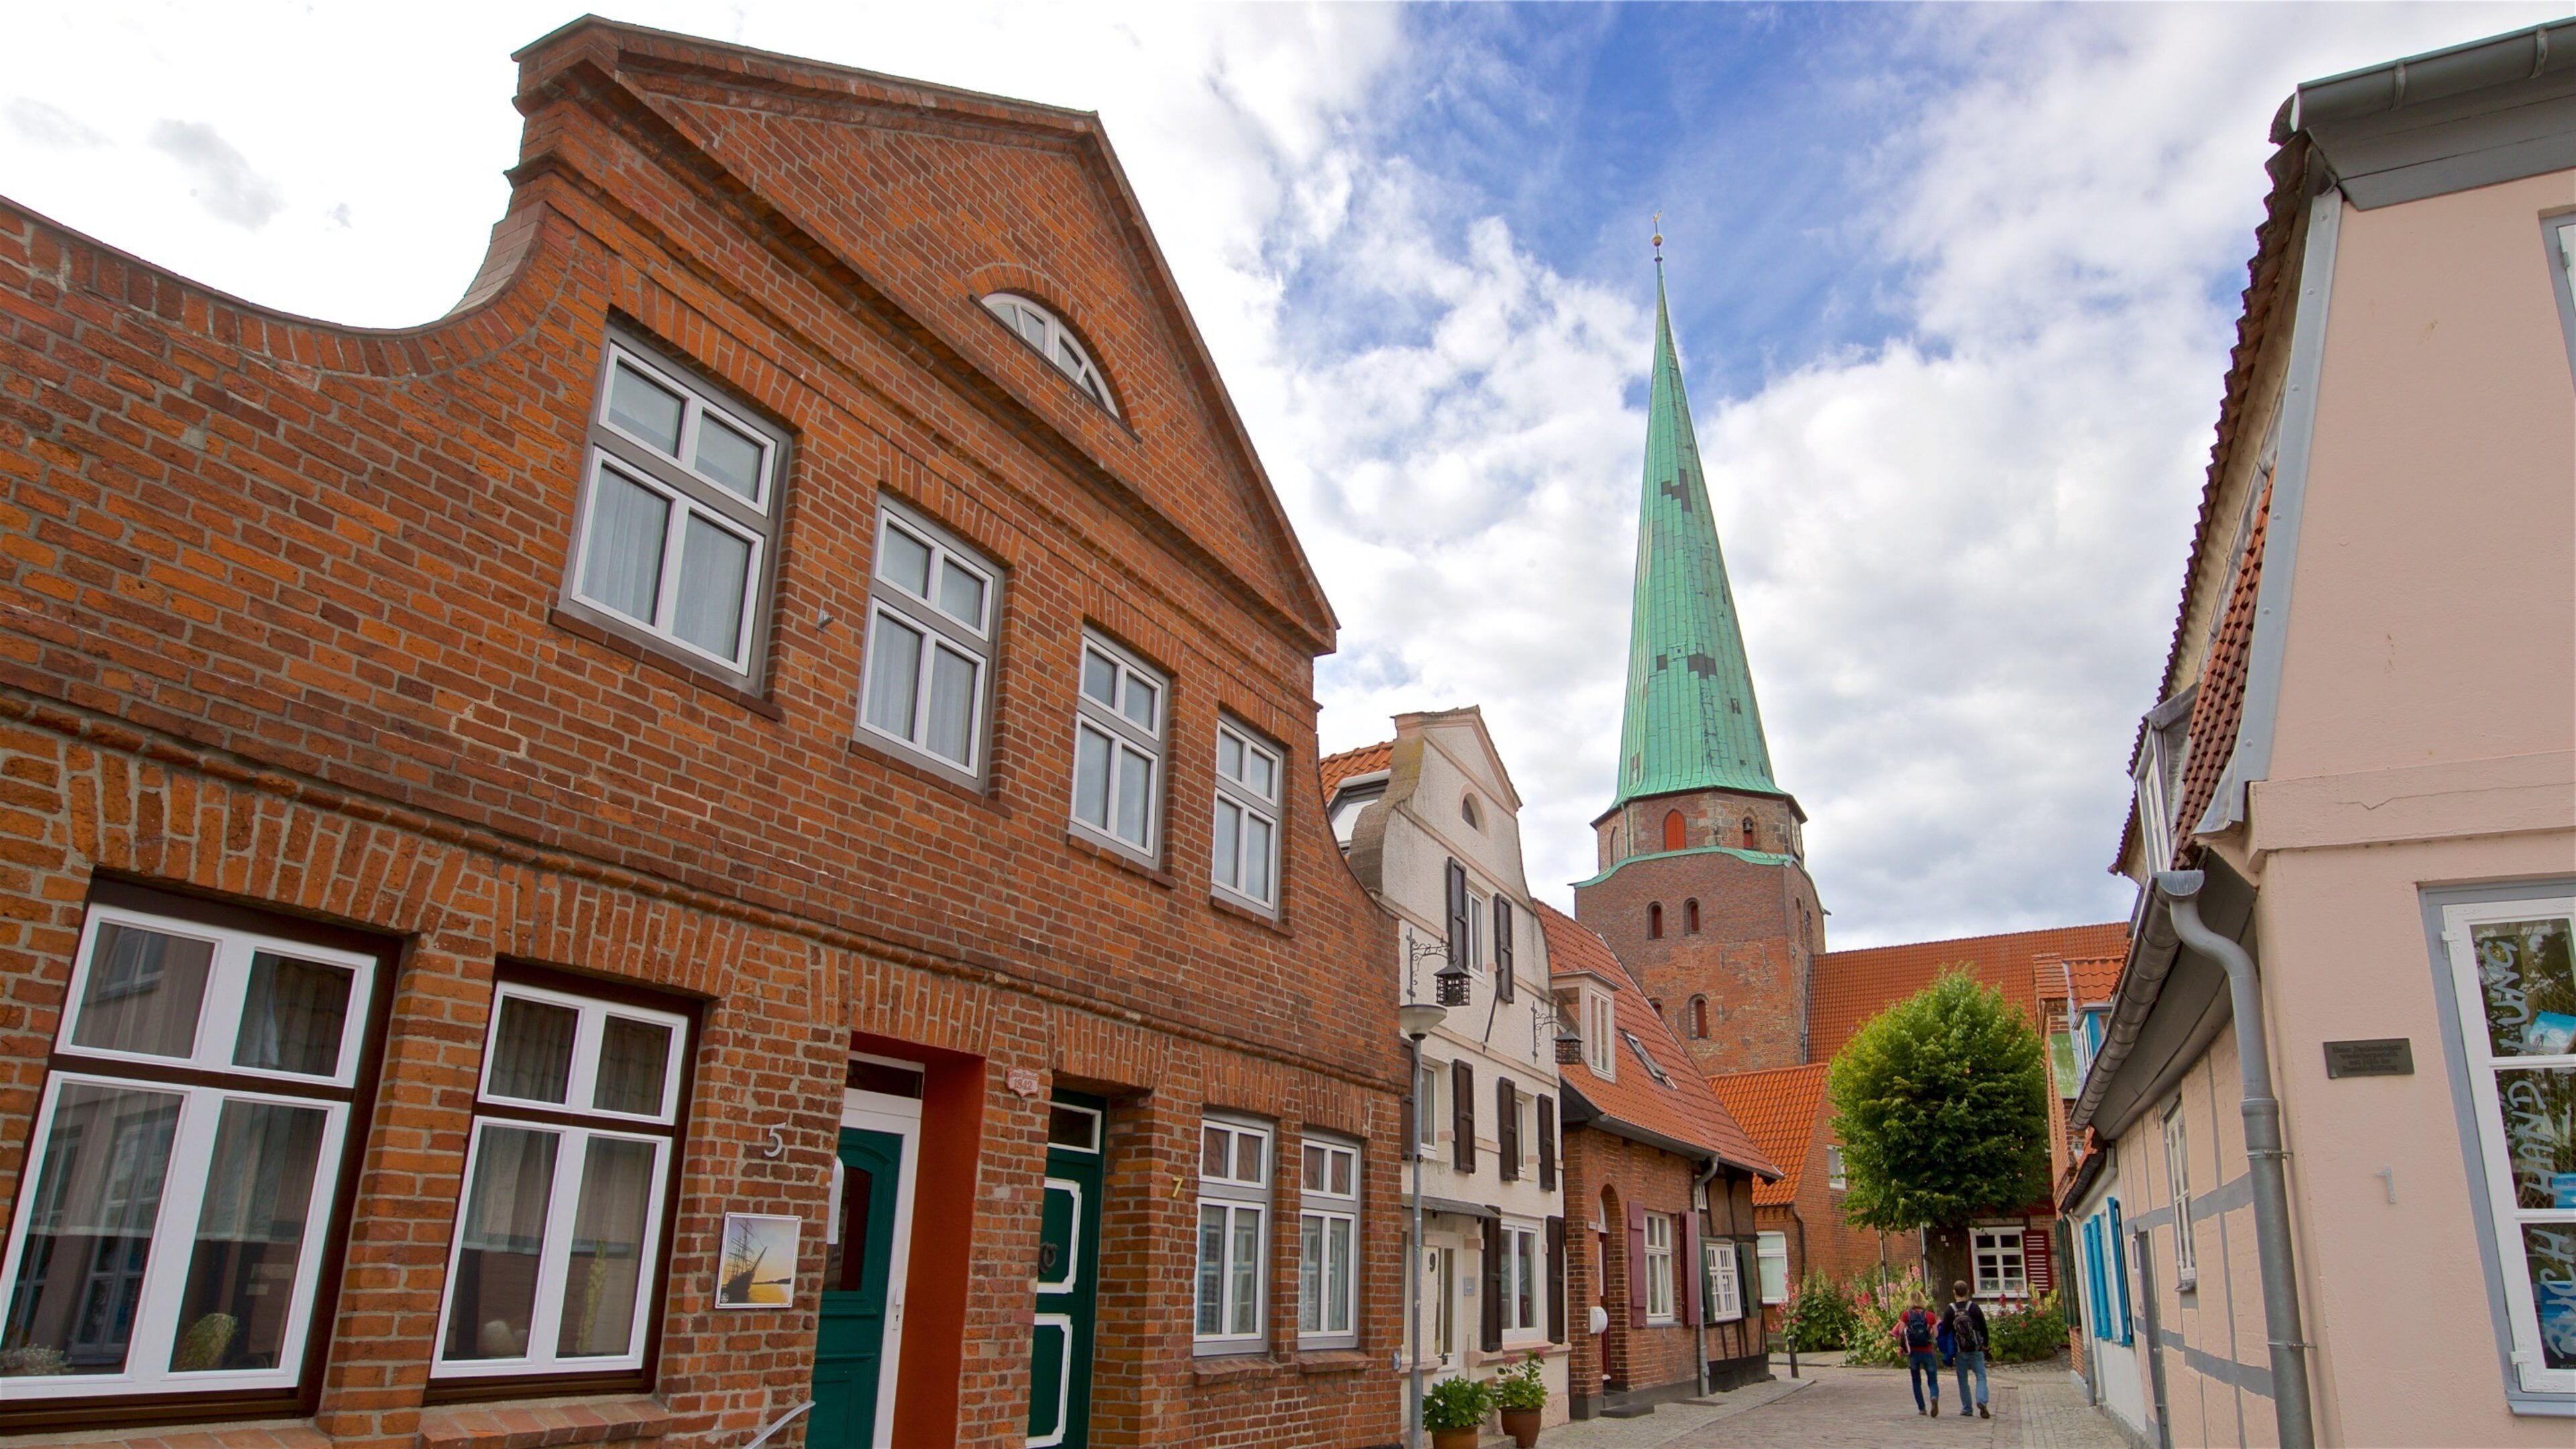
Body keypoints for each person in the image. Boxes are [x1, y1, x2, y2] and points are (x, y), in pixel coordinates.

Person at [1941, 1280, 1992, 1419]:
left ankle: (1967, 1408)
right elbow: (1983, 1327)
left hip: (1960, 1350)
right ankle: (1982, 1401)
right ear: (1968, 1292)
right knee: (1981, 1376)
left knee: (1963, 1379)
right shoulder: (1974, 1308)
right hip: (1976, 1348)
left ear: (1954, 1292)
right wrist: (1985, 1344)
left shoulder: (1950, 1310)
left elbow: (1945, 1330)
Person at [1897, 1292, 1941, 1416]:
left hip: (1913, 1352)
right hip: (1927, 1351)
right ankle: (1933, 1397)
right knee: (1932, 1380)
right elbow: (1937, 1335)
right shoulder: (1930, 1315)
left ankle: (1922, 1408)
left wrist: (1902, 1347)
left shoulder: (1906, 1315)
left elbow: (1901, 1332)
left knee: (1916, 1381)